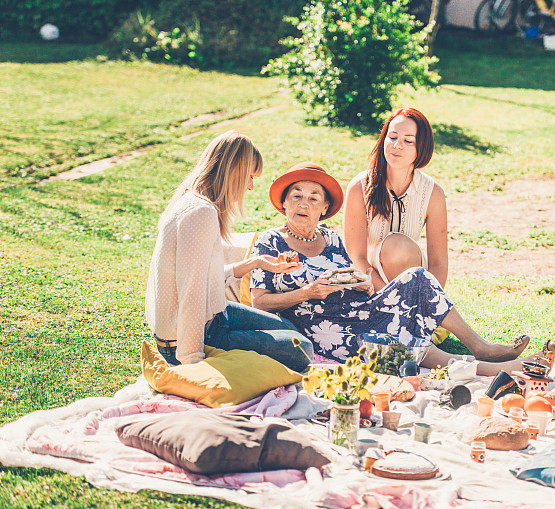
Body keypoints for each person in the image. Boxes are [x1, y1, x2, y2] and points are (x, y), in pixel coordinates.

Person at [249, 162, 532, 376]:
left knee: (417, 277)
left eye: (313, 198)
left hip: (361, 309)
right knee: (394, 341)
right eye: (296, 195)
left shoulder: (332, 239)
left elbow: (355, 277)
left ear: (324, 208)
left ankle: (479, 347)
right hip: (324, 329)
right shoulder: (270, 241)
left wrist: (361, 283)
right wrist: (307, 293)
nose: (303, 203)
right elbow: (258, 302)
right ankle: (495, 369)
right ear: (283, 203)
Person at [144, 130, 313, 372]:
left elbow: (201, 275)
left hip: (214, 314)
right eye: (250, 177)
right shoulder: (201, 213)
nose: (251, 187)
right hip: (193, 337)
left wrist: (255, 263)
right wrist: (193, 362)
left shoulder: (192, 201)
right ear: (233, 171)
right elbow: (191, 291)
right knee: (301, 349)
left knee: (290, 329)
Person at [343, 107, 447, 292]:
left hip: (412, 278)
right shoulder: (359, 186)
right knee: (396, 246)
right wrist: (388, 296)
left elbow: (439, 263)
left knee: (400, 247)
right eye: (392, 137)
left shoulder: (433, 193)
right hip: (367, 280)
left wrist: (431, 299)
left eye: (408, 141)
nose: (397, 145)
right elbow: (356, 256)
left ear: (421, 147)